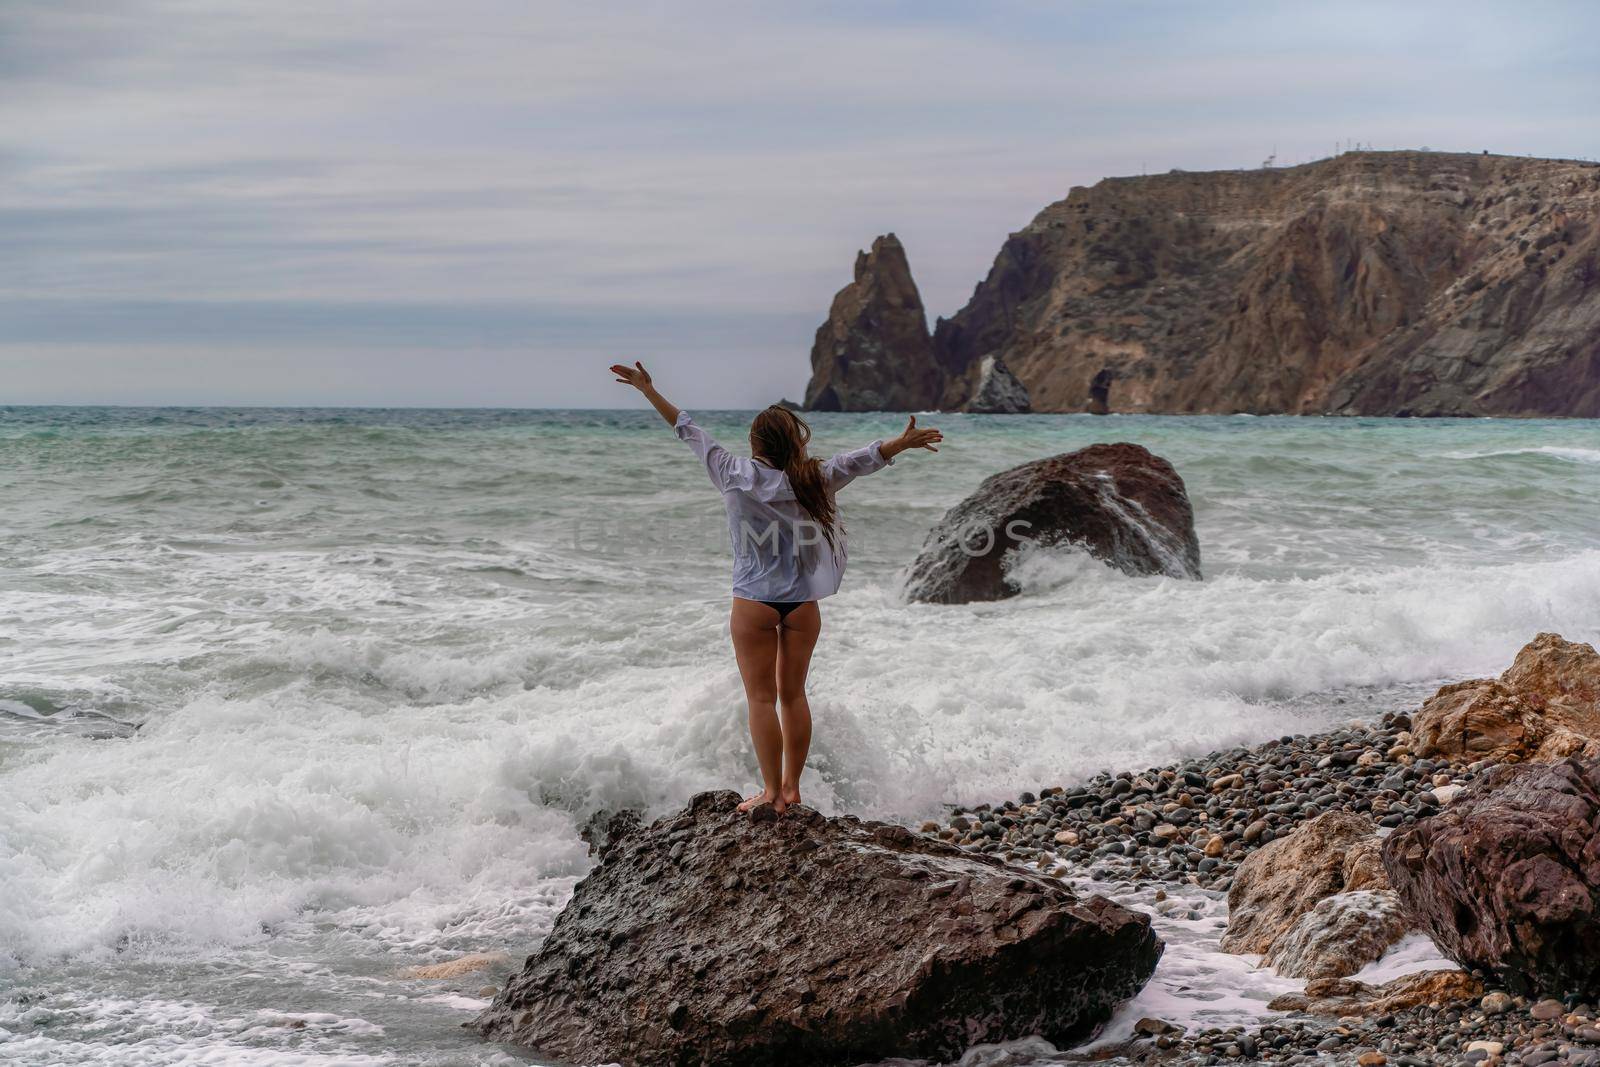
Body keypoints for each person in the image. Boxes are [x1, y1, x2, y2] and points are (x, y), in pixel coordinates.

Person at [609, 361, 942, 813]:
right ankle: (792, 790)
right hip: (802, 605)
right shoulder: (813, 479)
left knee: (761, 699)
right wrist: (899, 443)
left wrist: (648, 389)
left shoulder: (730, 472)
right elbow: (859, 461)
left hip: (754, 603)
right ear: (794, 442)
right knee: (794, 696)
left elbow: (687, 428)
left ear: (754, 442)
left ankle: (770, 794)